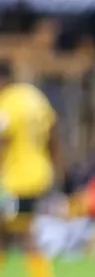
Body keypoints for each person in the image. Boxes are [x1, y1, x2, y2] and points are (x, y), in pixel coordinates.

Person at [0, 66, 57, 277]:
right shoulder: (35, 97)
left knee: (24, 232)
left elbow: (2, 141)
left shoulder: (7, 103)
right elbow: (53, 131)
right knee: (5, 233)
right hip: (39, 173)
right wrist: (56, 166)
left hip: (16, 179)